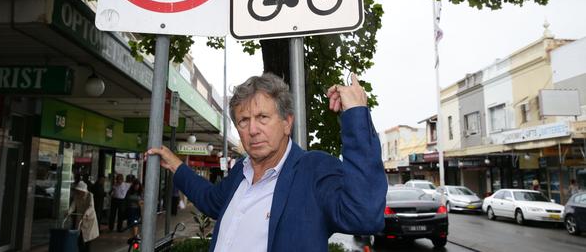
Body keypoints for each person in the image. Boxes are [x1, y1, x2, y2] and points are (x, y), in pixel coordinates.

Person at [147, 73, 387, 251]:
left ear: (286, 123)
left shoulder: (313, 170)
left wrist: (356, 114)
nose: (252, 130)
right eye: (243, 121)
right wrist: (177, 166)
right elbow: (211, 201)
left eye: (262, 117)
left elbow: (364, 216)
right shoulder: (240, 171)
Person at [68, 181, 99, 252]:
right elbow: (73, 205)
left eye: (80, 191)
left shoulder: (90, 195)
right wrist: (69, 211)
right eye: (78, 190)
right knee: (79, 238)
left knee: (87, 239)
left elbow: (91, 207)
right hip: (80, 218)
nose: (79, 192)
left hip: (89, 219)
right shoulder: (76, 195)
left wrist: (86, 213)